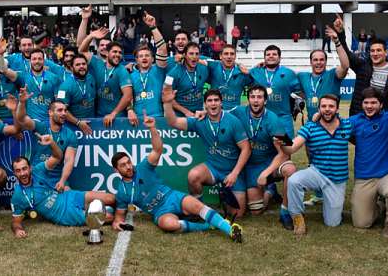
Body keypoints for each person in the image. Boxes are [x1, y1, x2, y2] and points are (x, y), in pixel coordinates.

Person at [112, 111, 243, 241]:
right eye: (123, 165)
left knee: (198, 207)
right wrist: (116, 222)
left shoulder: (143, 167)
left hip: (172, 197)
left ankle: (229, 229)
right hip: (160, 211)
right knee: (169, 225)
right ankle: (207, 227)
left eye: (128, 162)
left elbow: (157, 149)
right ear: (116, 170)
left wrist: (152, 128)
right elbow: (119, 215)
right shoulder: (122, 191)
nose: (128, 166)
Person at [164, 87, 251, 217]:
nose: (213, 103)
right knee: (193, 175)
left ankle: (225, 196)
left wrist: (234, 173)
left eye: (216, 100)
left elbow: (246, 149)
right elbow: (173, 122)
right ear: (205, 104)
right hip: (213, 168)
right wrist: (167, 103)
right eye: (209, 101)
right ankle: (198, 209)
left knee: (237, 214)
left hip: (232, 171)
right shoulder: (200, 120)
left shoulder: (233, 121)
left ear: (221, 103)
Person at [346, 73, 388, 238]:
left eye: (374, 102)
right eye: (366, 102)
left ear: (381, 105)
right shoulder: (354, 120)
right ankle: (380, 206)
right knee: (361, 223)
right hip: (364, 176)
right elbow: (335, 128)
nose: (369, 106)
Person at [281, 94, 353, 235]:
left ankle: (330, 203)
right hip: (317, 172)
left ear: (337, 109)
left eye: (331, 106)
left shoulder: (347, 125)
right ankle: (297, 216)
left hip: (336, 180)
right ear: (319, 109)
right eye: (324, 106)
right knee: (294, 180)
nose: (327, 109)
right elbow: (292, 147)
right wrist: (281, 140)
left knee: (332, 223)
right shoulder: (311, 127)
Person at [228, 85, 295, 228]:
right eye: (252, 97)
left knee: (290, 169)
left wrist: (266, 173)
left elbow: (286, 152)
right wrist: (202, 113)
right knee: (256, 211)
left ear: (265, 101)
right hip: (250, 165)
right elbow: (219, 114)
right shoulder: (239, 112)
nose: (255, 100)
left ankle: (285, 211)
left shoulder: (273, 119)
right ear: (248, 99)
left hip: (269, 163)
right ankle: (270, 192)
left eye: (259, 97)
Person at [11, 149, 115, 234]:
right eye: (18, 171)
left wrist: (51, 142)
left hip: (69, 196)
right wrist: (18, 230)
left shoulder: (38, 170)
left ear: (30, 168)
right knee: (109, 217)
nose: (22, 173)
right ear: (14, 173)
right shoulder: (18, 195)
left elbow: (57, 157)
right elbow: (16, 221)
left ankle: (114, 208)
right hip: (64, 214)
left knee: (110, 198)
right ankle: (106, 211)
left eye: (24, 169)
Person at [334, 15, 388, 117]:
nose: (375, 53)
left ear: (386, 52)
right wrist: (340, 33)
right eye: (372, 51)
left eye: (378, 50)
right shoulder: (362, 66)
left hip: (384, 119)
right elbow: (346, 53)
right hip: (361, 117)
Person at [16, 90, 78, 192]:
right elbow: (21, 119)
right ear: (50, 112)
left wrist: (62, 181)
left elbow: (69, 161)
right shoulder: (41, 126)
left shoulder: (70, 135)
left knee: (67, 191)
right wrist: (22, 103)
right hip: (37, 175)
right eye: (60, 110)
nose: (64, 113)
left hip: (57, 177)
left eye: (65, 110)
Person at [78, 27, 133, 127]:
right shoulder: (97, 63)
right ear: (107, 53)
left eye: (120, 53)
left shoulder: (122, 70)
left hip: (118, 118)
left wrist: (113, 114)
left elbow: (128, 96)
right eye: (114, 52)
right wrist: (91, 36)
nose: (118, 55)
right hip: (99, 116)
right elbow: (81, 51)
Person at [298, 24, 349, 120]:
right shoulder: (302, 76)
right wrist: (265, 66)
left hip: (331, 124)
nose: (318, 62)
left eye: (322, 60)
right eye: (315, 60)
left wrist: (337, 42)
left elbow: (345, 66)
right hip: (311, 124)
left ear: (326, 61)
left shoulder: (332, 74)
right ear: (310, 62)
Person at [248, 45, 301, 139]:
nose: (271, 56)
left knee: (285, 150)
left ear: (280, 58)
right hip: (262, 120)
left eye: (274, 54)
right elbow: (243, 73)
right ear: (264, 58)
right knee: (263, 151)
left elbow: (301, 91)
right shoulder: (256, 72)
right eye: (268, 54)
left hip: (283, 120)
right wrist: (255, 67)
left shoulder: (289, 73)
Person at [0, 48, 61, 121]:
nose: (37, 61)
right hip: (29, 122)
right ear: (30, 61)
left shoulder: (54, 78)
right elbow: (4, 70)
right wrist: (0, 55)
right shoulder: (23, 76)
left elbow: (58, 102)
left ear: (44, 61)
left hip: (49, 121)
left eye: (40, 59)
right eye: (34, 59)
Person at [129, 12, 168, 122]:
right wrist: (130, 110)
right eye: (141, 56)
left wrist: (153, 27)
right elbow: (128, 98)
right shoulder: (131, 75)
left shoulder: (158, 70)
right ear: (136, 60)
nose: (144, 58)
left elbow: (162, 49)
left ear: (152, 59)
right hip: (137, 120)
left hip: (158, 118)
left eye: (147, 55)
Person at [165, 42, 209, 116]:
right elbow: (165, 96)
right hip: (180, 116)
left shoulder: (204, 69)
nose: (194, 57)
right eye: (191, 54)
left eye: (197, 54)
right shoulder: (172, 74)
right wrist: (186, 112)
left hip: (199, 114)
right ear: (184, 55)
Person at [201, 45, 250, 110]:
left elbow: (259, 82)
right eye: (226, 54)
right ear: (220, 56)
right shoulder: (214, 65)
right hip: (215, 111)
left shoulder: (241, 72)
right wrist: (183, 55)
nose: (229, 56)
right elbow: (196, 57)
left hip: (234, 113)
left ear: (235, 56)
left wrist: (249, 73)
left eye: (232, 54)